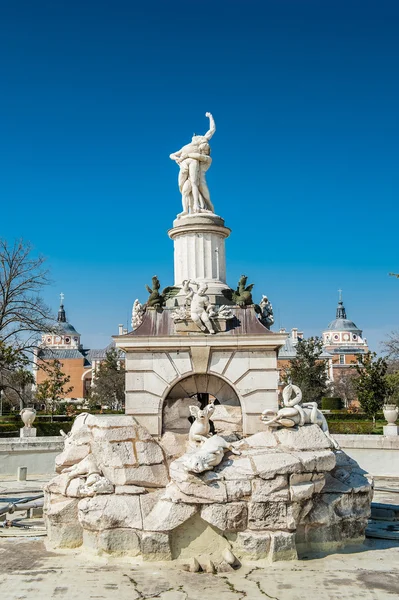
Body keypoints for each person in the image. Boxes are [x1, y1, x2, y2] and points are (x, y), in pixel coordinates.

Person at [170, 113, 215, 215]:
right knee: (184, 189)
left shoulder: (202, 145)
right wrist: (176, 158)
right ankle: (187, 210)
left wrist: (210, 117)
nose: (196, 136)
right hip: (185, 168)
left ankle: (200, 207)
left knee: (203, 193)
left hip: (196, 173)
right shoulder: (186, 147)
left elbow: (212, 130)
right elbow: (172, 154)